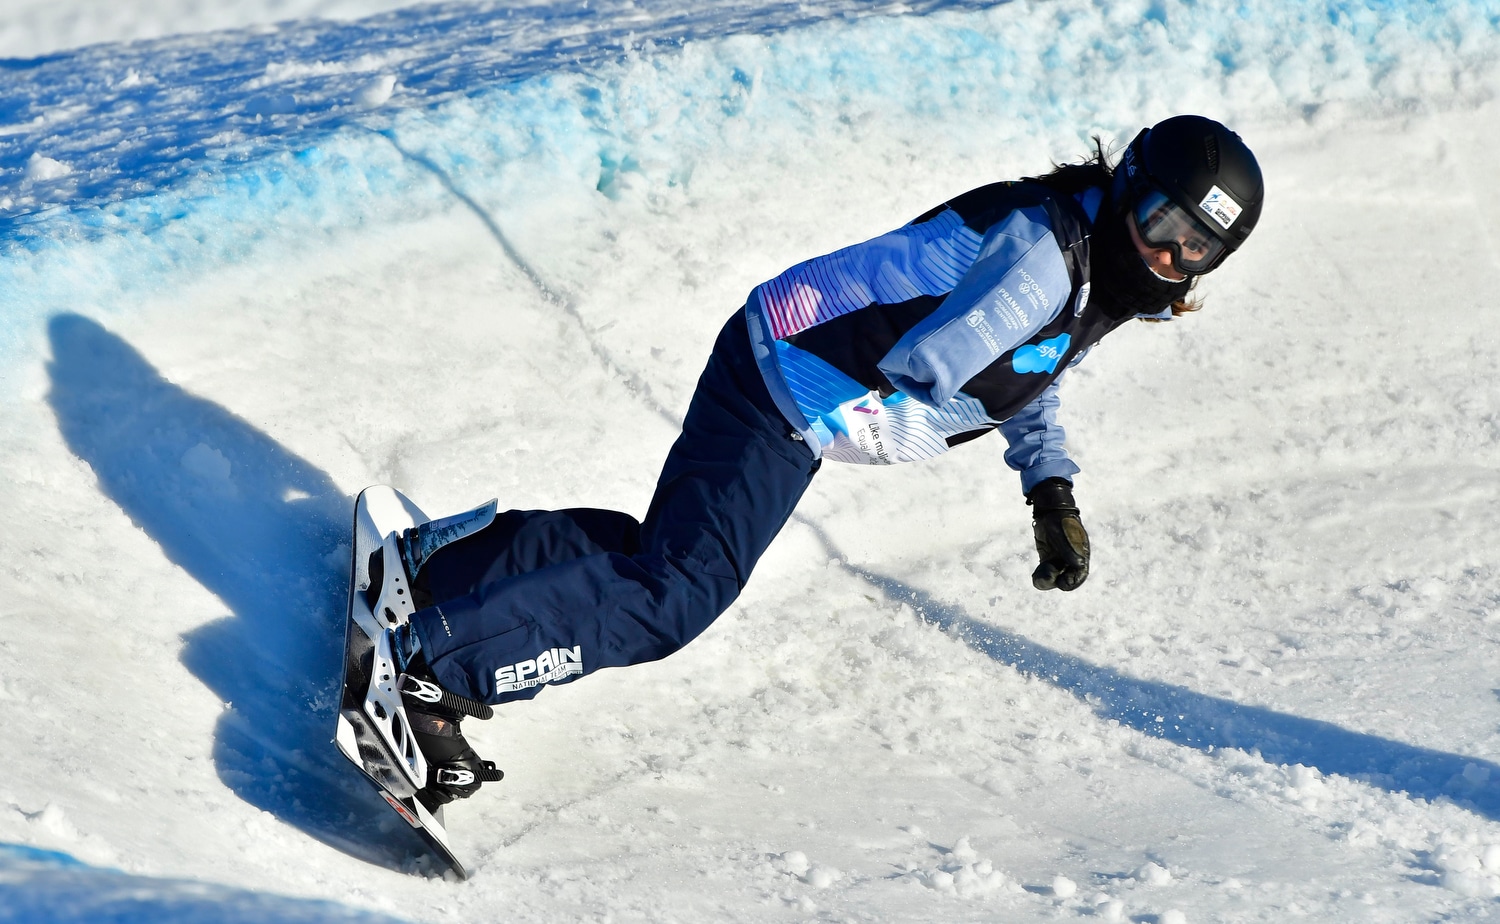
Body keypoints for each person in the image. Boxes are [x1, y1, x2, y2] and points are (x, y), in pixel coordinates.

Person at [365, 114, 1265, 805]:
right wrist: (965, 383)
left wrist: (1050, 484)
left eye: (1198, 248)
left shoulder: (1084, 267)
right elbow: (948, 357)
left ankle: (441, 574)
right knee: (676, 595)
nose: (1169, 254)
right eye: (1160, 222)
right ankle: (429, 674)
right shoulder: (1043, 261)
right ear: (1127, 186)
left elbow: (1034, 369)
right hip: (789, 387)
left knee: (661, 557)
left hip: (790, 377)